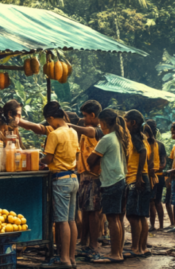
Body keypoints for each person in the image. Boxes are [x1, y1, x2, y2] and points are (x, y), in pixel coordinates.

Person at [22, 102, 78, 268]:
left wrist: (36, 160)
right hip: (73, 178)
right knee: (71, 220)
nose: (48, 124)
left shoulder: (55, 134)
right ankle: (72, 258)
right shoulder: (73, 132)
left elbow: (48, 159)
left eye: (48, 120)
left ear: (51, 118)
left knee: (62, 221)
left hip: (60, 180)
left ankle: (64, 260)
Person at [86, 109, 127, 263]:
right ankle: (118, 252)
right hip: (119, 179)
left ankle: (115, 254)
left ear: (102, 122)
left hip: (111, 181)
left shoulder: (107, 138)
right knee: (116, 218)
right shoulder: (117, 136)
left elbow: (91, 160)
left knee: (112, 219)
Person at [70, 101, 105, 260]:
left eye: (85, 116)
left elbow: (90, 132)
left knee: (93, 212)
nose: (83, 119)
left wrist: (67, 125)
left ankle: (94, 244)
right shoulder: (86, 132)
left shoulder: (99, 131)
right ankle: (84, 241)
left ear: (93, 115)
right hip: (84, 175)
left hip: (94, 176)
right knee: (85, 211)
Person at [123, 110, 151, 256]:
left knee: (133, 215)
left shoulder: (135, 137)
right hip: (142, 177)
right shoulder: (142, 137)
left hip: (136, 179)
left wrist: (139, 175)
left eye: (125, 121)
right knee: (140, 216)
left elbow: (143, 153)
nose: (124, 124)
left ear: (132, 123)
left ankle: (136, 248)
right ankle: (142, 247)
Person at [145, 119, 169, 230]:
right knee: (156, 201)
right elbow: (164, 163)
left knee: (152, 201)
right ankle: (158, 225)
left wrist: (153, 169)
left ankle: (154, 225)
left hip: (154, 176)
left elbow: (163, 163)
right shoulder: (159, 144)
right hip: (156, 175)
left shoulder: (155, 145)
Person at [142, 124, 162, 231]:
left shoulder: (149, 144)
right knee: (151, 202)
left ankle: (152, 225)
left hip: (150, 176)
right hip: (151, 175)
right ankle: (151, 224)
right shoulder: (152, 143)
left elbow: (150, 162)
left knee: (151, 202)